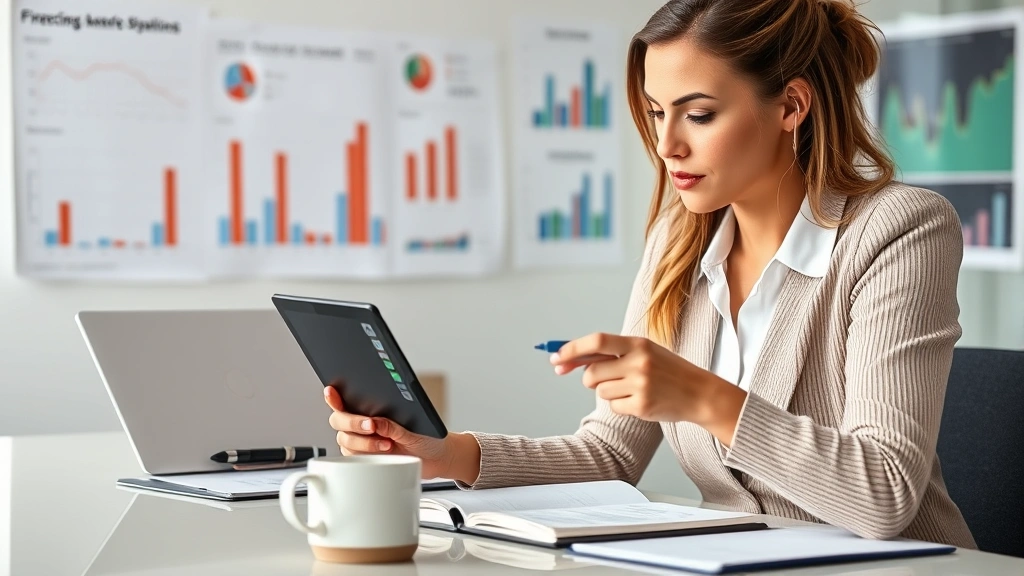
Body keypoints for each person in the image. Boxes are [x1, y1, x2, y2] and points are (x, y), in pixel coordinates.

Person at [325, 0, 976, 549]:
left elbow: (885, 493)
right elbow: (607, 457)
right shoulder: (679, 243)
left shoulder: (900, 229)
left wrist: (700, 396)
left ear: (791, 106)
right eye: (657, 112)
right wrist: (446, 454)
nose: (667, 146)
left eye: (698, 114)